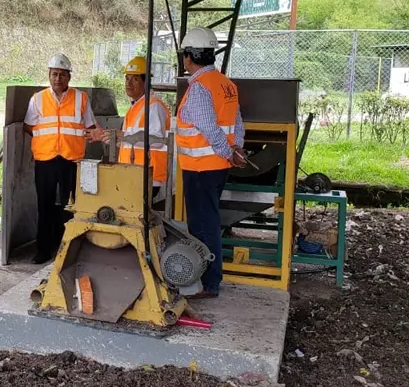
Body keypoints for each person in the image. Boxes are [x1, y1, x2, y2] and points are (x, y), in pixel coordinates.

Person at [174, 27, 247, 299]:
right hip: (217, 167)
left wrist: (228, 152)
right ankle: (209, 279)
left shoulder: (199, 88)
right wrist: (235, 148)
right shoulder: (226, 84)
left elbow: (209, 129)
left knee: (202, 226)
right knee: (209, 221)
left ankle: (208, 282)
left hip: (201, 168)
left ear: (191, 56)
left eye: (185, 55)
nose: (184, 60)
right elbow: (237, 123)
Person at [23, 53, 104, 264]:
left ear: (69, 77)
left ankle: (69, 247)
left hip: (71, 159)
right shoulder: (38, 99)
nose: (57, 78)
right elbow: (28, 125)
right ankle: (43, 249)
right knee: (45, 204)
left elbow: (91, 126)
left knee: (72, 205)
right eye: (54, 74)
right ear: (49, 76)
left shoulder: (81, 98)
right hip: (46, 159)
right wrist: (46, 140)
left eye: (62, 74)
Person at [117, 56, 170, 209]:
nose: (128, 83)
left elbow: (158, 140)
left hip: (147, 174)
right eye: (127, 78)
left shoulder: (153, 106)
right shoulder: (136, 106)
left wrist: (125, 136)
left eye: (134, 79)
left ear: (146, 81)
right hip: (135, 172)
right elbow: (129, 140)